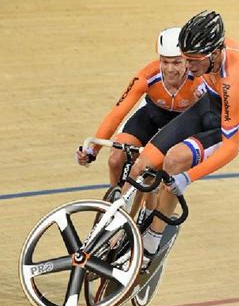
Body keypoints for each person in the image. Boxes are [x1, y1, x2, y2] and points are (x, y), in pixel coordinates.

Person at [128, 10, 239, 263]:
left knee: (174, 161)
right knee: (143, 163)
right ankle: (121, 229)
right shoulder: (207, 52)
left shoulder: (233, 78)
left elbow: (229, 147)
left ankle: (150, 245)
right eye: (185, 58)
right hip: (212, 104)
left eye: (193, 61)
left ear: (214, 53)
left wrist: (187, 178)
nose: (188, 67)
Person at [76, 27, 205, 214]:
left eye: (177, 62)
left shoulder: (200, 80)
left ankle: (151, 215)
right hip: (151, 116)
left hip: (180, 124)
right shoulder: (147, 75)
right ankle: (117, 202)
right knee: (115, 158)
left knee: (154, 171)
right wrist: (92, 150)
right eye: (165, 62)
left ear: (188, 60)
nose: (170, 69)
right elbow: (117, 113)